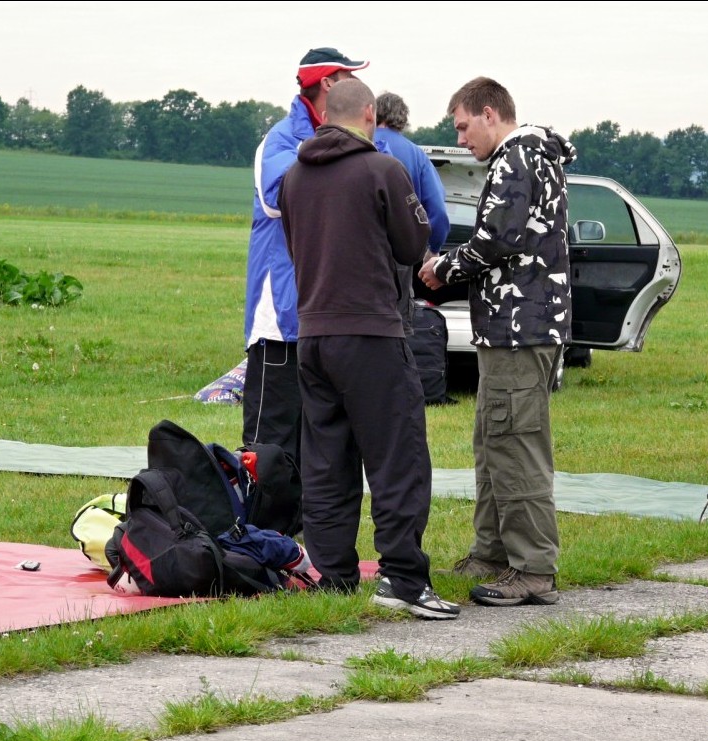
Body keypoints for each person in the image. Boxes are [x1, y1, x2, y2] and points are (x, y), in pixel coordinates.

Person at [278, 78, 460, 620]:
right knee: (397, 458)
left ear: (323, 116)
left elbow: (294, 246)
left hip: (312, 334)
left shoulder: (293, 177)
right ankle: (403, 577)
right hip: (374, 334)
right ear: (371, 115)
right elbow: (412, 244)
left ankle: (332, 574)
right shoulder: (384, 170)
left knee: (326, 460)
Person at [419, 77, 576, 607]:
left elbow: (497, 240)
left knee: (516, 444)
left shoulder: (516, 158)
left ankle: (532, 565)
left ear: (490, 114)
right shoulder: (536, 155)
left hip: (520, 326)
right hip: (513, 324)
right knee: (492, 440)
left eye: (463, 126)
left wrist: (445, 266)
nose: (462, 139)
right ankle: (490, 551)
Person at [242, 47, 369, 458]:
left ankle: (305, 522)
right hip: (281, 317)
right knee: (270, 441)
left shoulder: (356, 140)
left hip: (328, 313)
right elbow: (276, 198)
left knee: (320, 440)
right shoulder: (279, 139)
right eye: (349, 76)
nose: (358, 83)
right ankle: (262, 522)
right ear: (328, 84)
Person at [375, 92, 451, 334]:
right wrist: (433, 249)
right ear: (403, 118)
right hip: (400, 256)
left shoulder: (357, 144)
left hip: (356, 253)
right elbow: (437, 209)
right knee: (396, 329)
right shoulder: (416, 155)